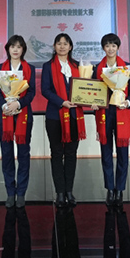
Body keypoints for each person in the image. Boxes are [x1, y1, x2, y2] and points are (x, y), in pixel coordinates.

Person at [91, 33, 130, 207]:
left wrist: (128, 102)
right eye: (107, 45)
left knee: (123, 153)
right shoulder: (97, 68)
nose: (110, 49)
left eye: (113, 46)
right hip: (104, 113)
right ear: (103, 48)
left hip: (121, 111)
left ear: (118, 47)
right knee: (106, 153)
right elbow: (93, 91)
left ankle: (120, 189)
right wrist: (93, 102)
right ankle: (110, 188)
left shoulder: (127, 67)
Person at [41, 33, 85, 207]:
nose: (62, 46)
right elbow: (45, 90)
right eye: (59, 43)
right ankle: (60, 192)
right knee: (57, 153)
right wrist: (62, 102)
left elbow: (84, 88)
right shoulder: (47, 66)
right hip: (54, 116)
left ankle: (69, 191)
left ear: (70, 47)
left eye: (65, 43)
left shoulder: (77, 66)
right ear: (54, 46)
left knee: (71, 154)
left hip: (74, 116)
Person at [0, 34, 37, 208]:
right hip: (4, 115)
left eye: (19, 47)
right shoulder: (0, 68)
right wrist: (5, 105)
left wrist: (18, 103)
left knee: (24, 154)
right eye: (13, 46)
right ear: (8, 49)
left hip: (23, 114)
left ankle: (21, 193)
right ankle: (10, 192)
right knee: (7, 154)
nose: (16, 50)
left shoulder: (29, 69)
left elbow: (31, 93)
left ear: (23, 49)